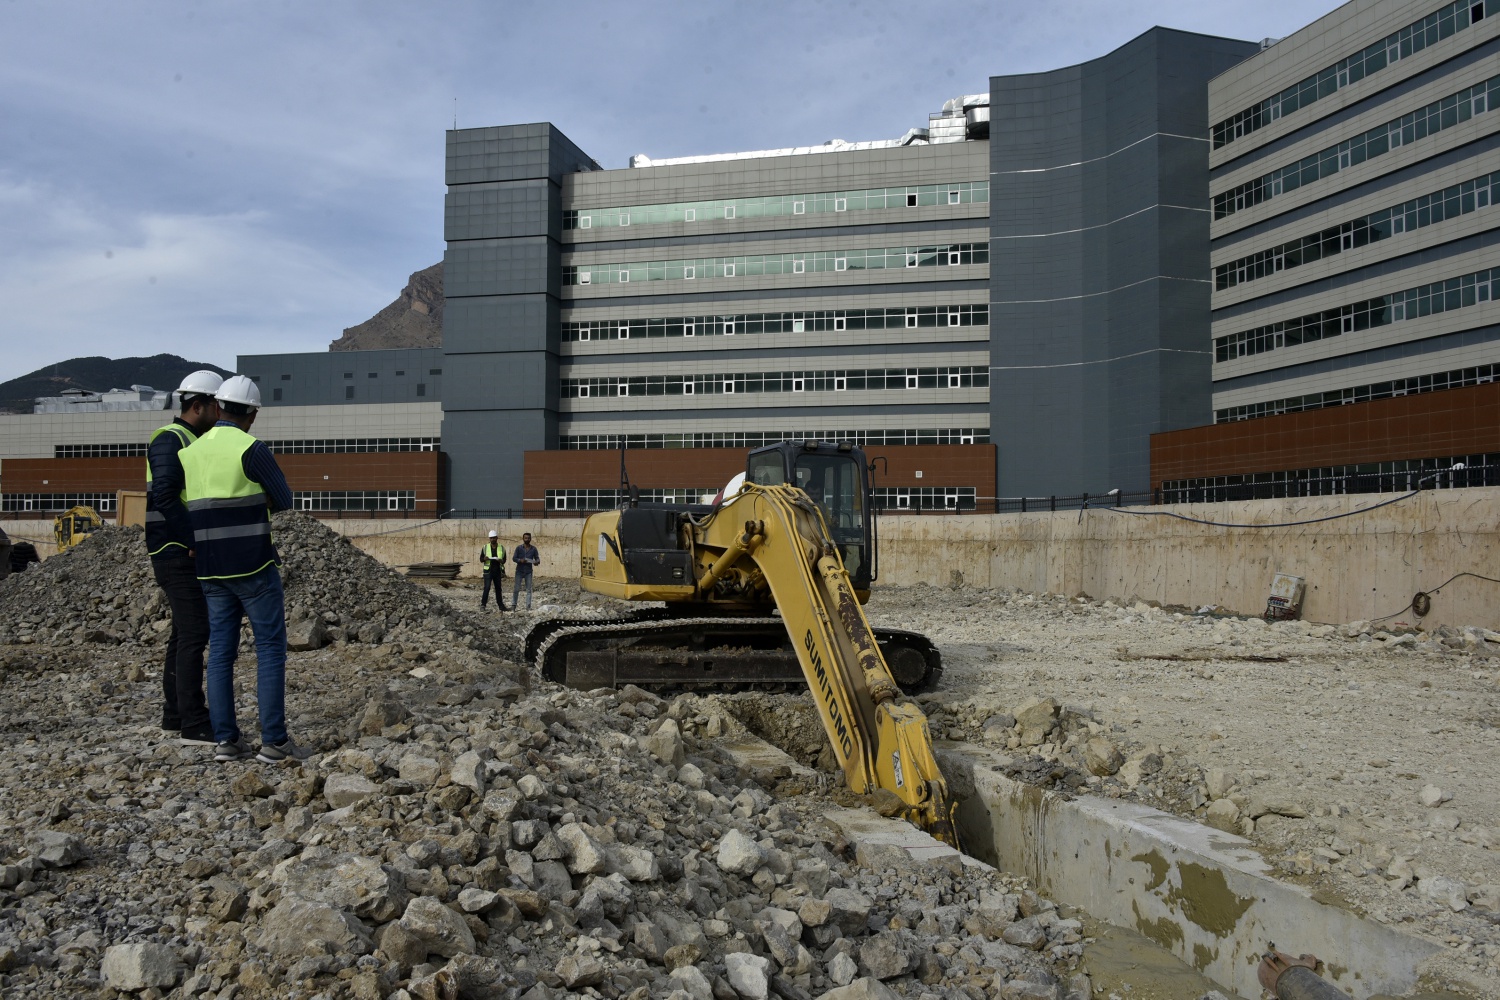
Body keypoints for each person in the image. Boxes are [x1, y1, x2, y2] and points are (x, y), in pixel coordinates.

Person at [179, 375, 305, 764]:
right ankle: (274, 741)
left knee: (220, 654)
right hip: (253, 563)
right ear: (251, 414)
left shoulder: (192, 453)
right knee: (269, 650)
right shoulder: (252, 448)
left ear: (218, 407)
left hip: (210, 568)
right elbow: (284, 500)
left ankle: (227, 742)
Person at [146, 370, 223, 746]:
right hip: (174, 551)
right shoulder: (170, 439)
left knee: (183, 633)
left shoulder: (193, 440)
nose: (221, 410)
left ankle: (174, 715)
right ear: (198, 405)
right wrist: (192, 538)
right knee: (195, 633)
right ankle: (194, 721)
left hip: (180, 548)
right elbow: (164, 494)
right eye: (216, 404)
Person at [512, 532, 540, 611]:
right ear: (523, 539)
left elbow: (537, 558)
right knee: (516, 589)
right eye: (525, 538)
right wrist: (520, 560)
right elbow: (514, 558)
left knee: (528, 590)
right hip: (519, 571)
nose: (527, 539)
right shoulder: (519, 548)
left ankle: (528, 606)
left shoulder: (533, 549)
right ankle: (513, 605)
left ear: (530, 539)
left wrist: (536, 562)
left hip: (528, 571)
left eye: (528, 538)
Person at [479, 529, 506, 611]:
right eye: (491, 538)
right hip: (488, 571)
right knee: (487, 588)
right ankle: (483, 605)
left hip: (497, 571)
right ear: (489, 539)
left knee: (498, 588)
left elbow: (504, 560)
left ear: (497, 538)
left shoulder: (501, 548)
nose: (492, 539)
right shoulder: (485, 547)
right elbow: (481, 559)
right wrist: (484, 558)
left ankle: (501, 606)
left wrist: (500, 560)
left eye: (494, 538)